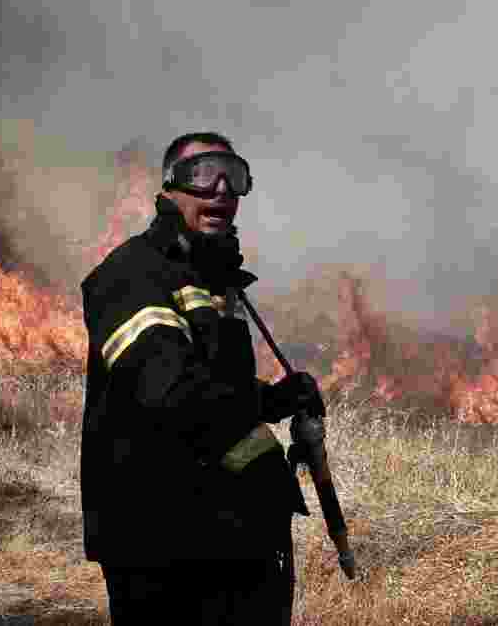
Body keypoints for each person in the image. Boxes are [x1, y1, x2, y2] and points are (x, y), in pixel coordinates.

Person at [80, 131, 326, 625]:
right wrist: (262, 404)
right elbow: (170, 393)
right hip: (161, 543)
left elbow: (218, 393)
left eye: (233, 177)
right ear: (170, 188)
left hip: (232, 532)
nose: (221, 190)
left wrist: (277, 400)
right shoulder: (133, 274)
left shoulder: (211, 282)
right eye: (203, 174)